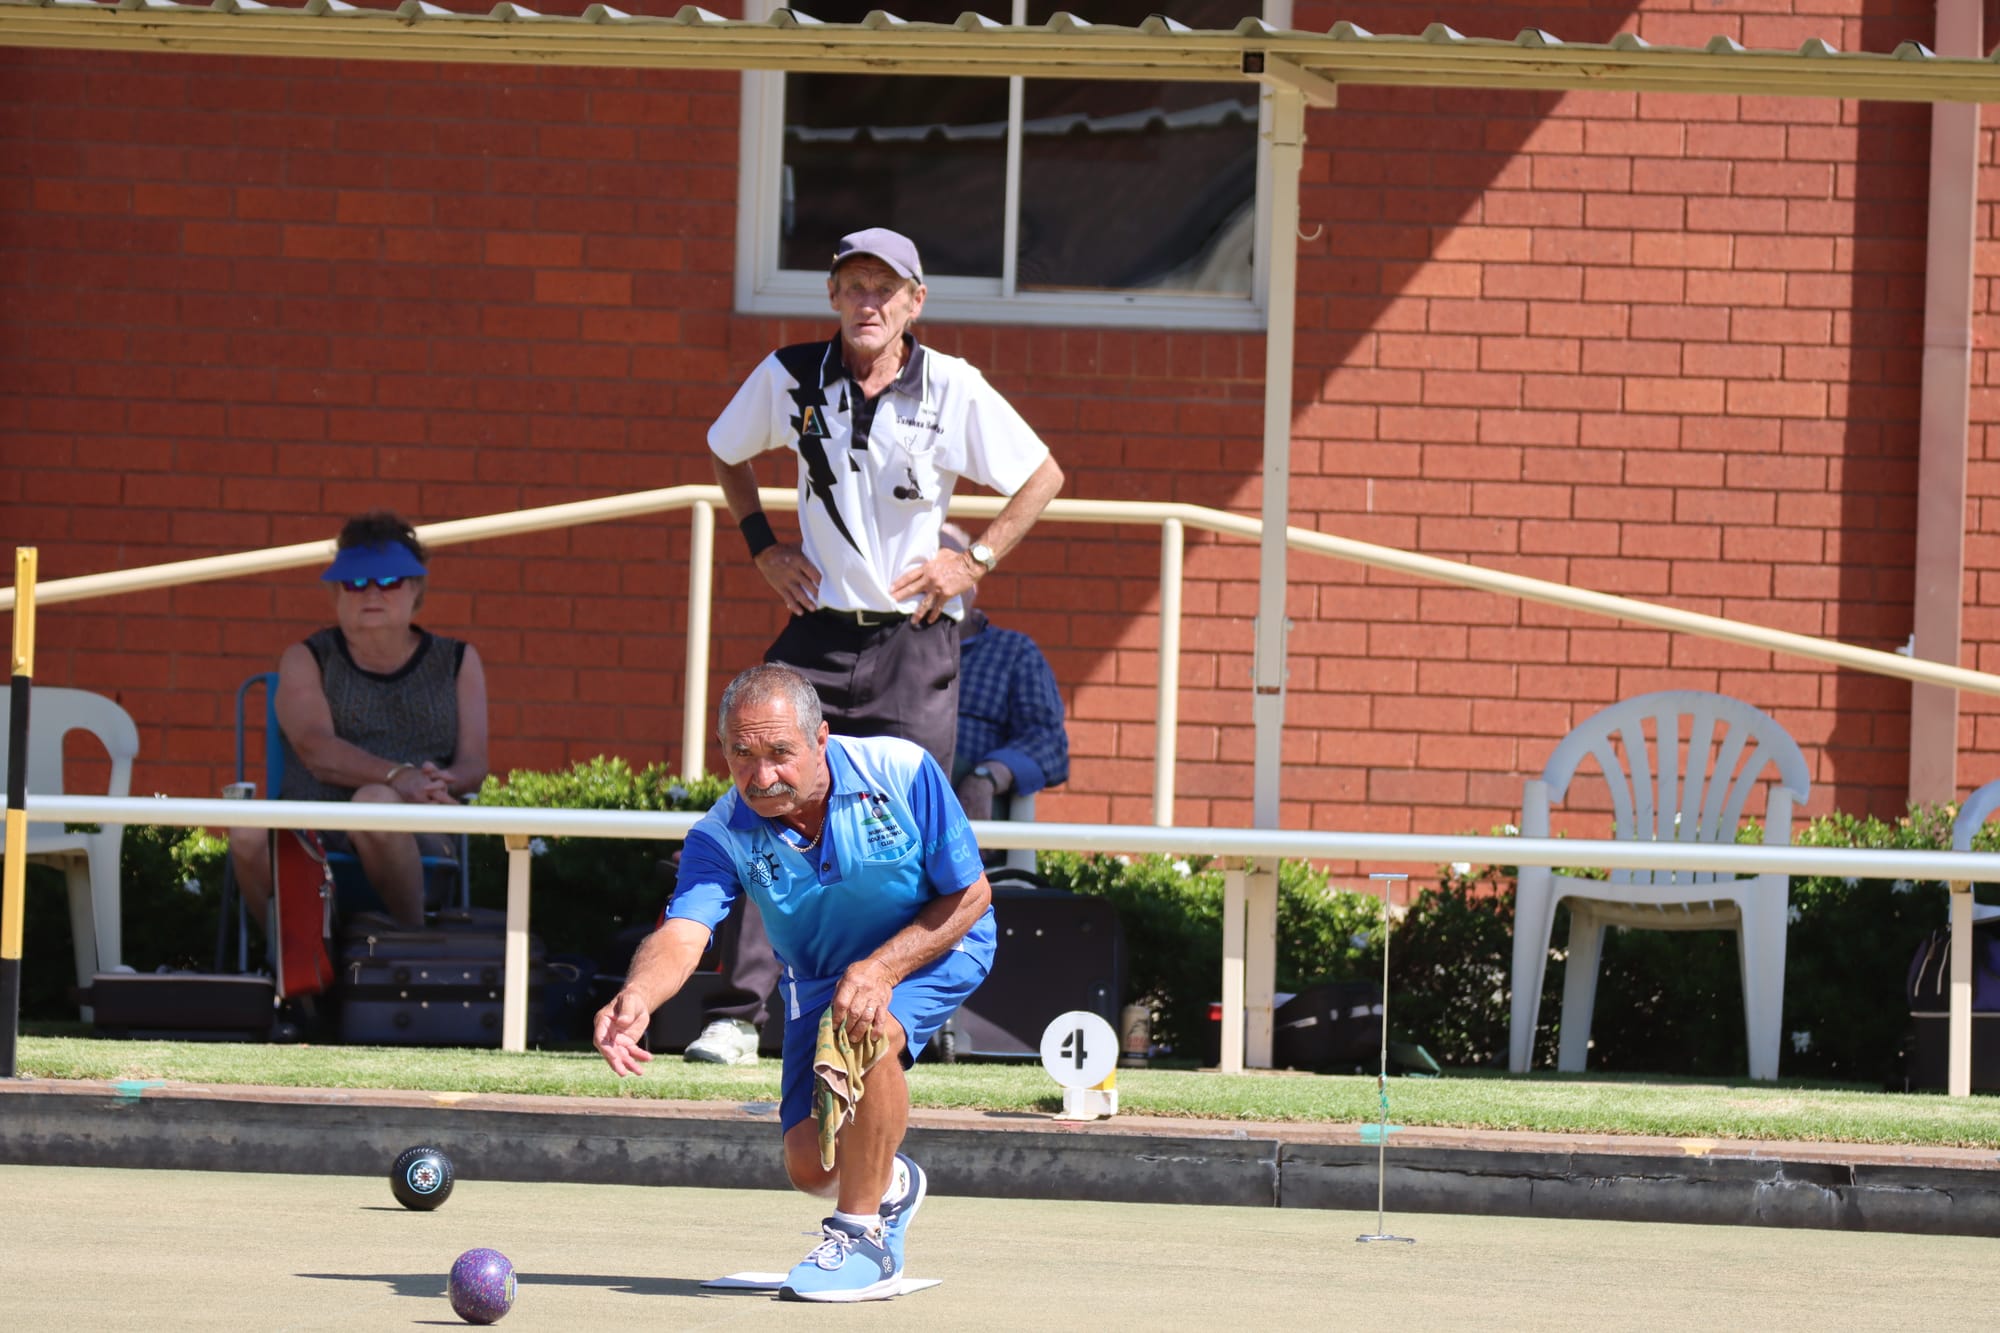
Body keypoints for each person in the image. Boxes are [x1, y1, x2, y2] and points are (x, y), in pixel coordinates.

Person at [681, 225, 1062, 1068]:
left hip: (914, 638)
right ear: (831, 295)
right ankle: (739, 1014)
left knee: (912, 826)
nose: (869, 302)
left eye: (886, 289)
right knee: (763, 800)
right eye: (854, 286)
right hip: (814, 634)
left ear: (914, 302)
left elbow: (1042, 474)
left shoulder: (953, 387)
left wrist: (976, 558)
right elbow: (722, 448)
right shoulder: (789, 376)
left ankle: (915, 1001)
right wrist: (760, 544)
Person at [593, 664, 994, 1302]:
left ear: (820, 740)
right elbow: (682, 934)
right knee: (813, 1167)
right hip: (820, 980)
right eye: (741, 755)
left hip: (937, 944)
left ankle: (863, 1237)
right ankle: (887, 1181)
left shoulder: (903, 771)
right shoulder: (719, 833)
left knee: (868, 1028)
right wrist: (637, 994)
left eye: (780, 752)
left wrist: (882, 968)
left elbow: (971, 895)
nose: (762, 775)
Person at [227, 511, 489, 932]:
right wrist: (396, 775)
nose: (372, 592)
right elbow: (315, 747)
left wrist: (441, 782)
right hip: (311, 823)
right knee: (246, 832)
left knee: (375, 804)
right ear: (335, 591)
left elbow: (474, 764)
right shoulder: (306, 657)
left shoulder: (458, 660)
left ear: (415, 588)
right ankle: (292, 960)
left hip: (418, 824)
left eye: (388, 581)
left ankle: (412, 948)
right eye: (355, 581)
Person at [938, 522, 1069, 825]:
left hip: (971, 799)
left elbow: (1048, 742)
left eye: (952, 568)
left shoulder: (1013, 652)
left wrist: (988, 775)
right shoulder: (884, 650)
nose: (941, 582)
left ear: (974, 582)